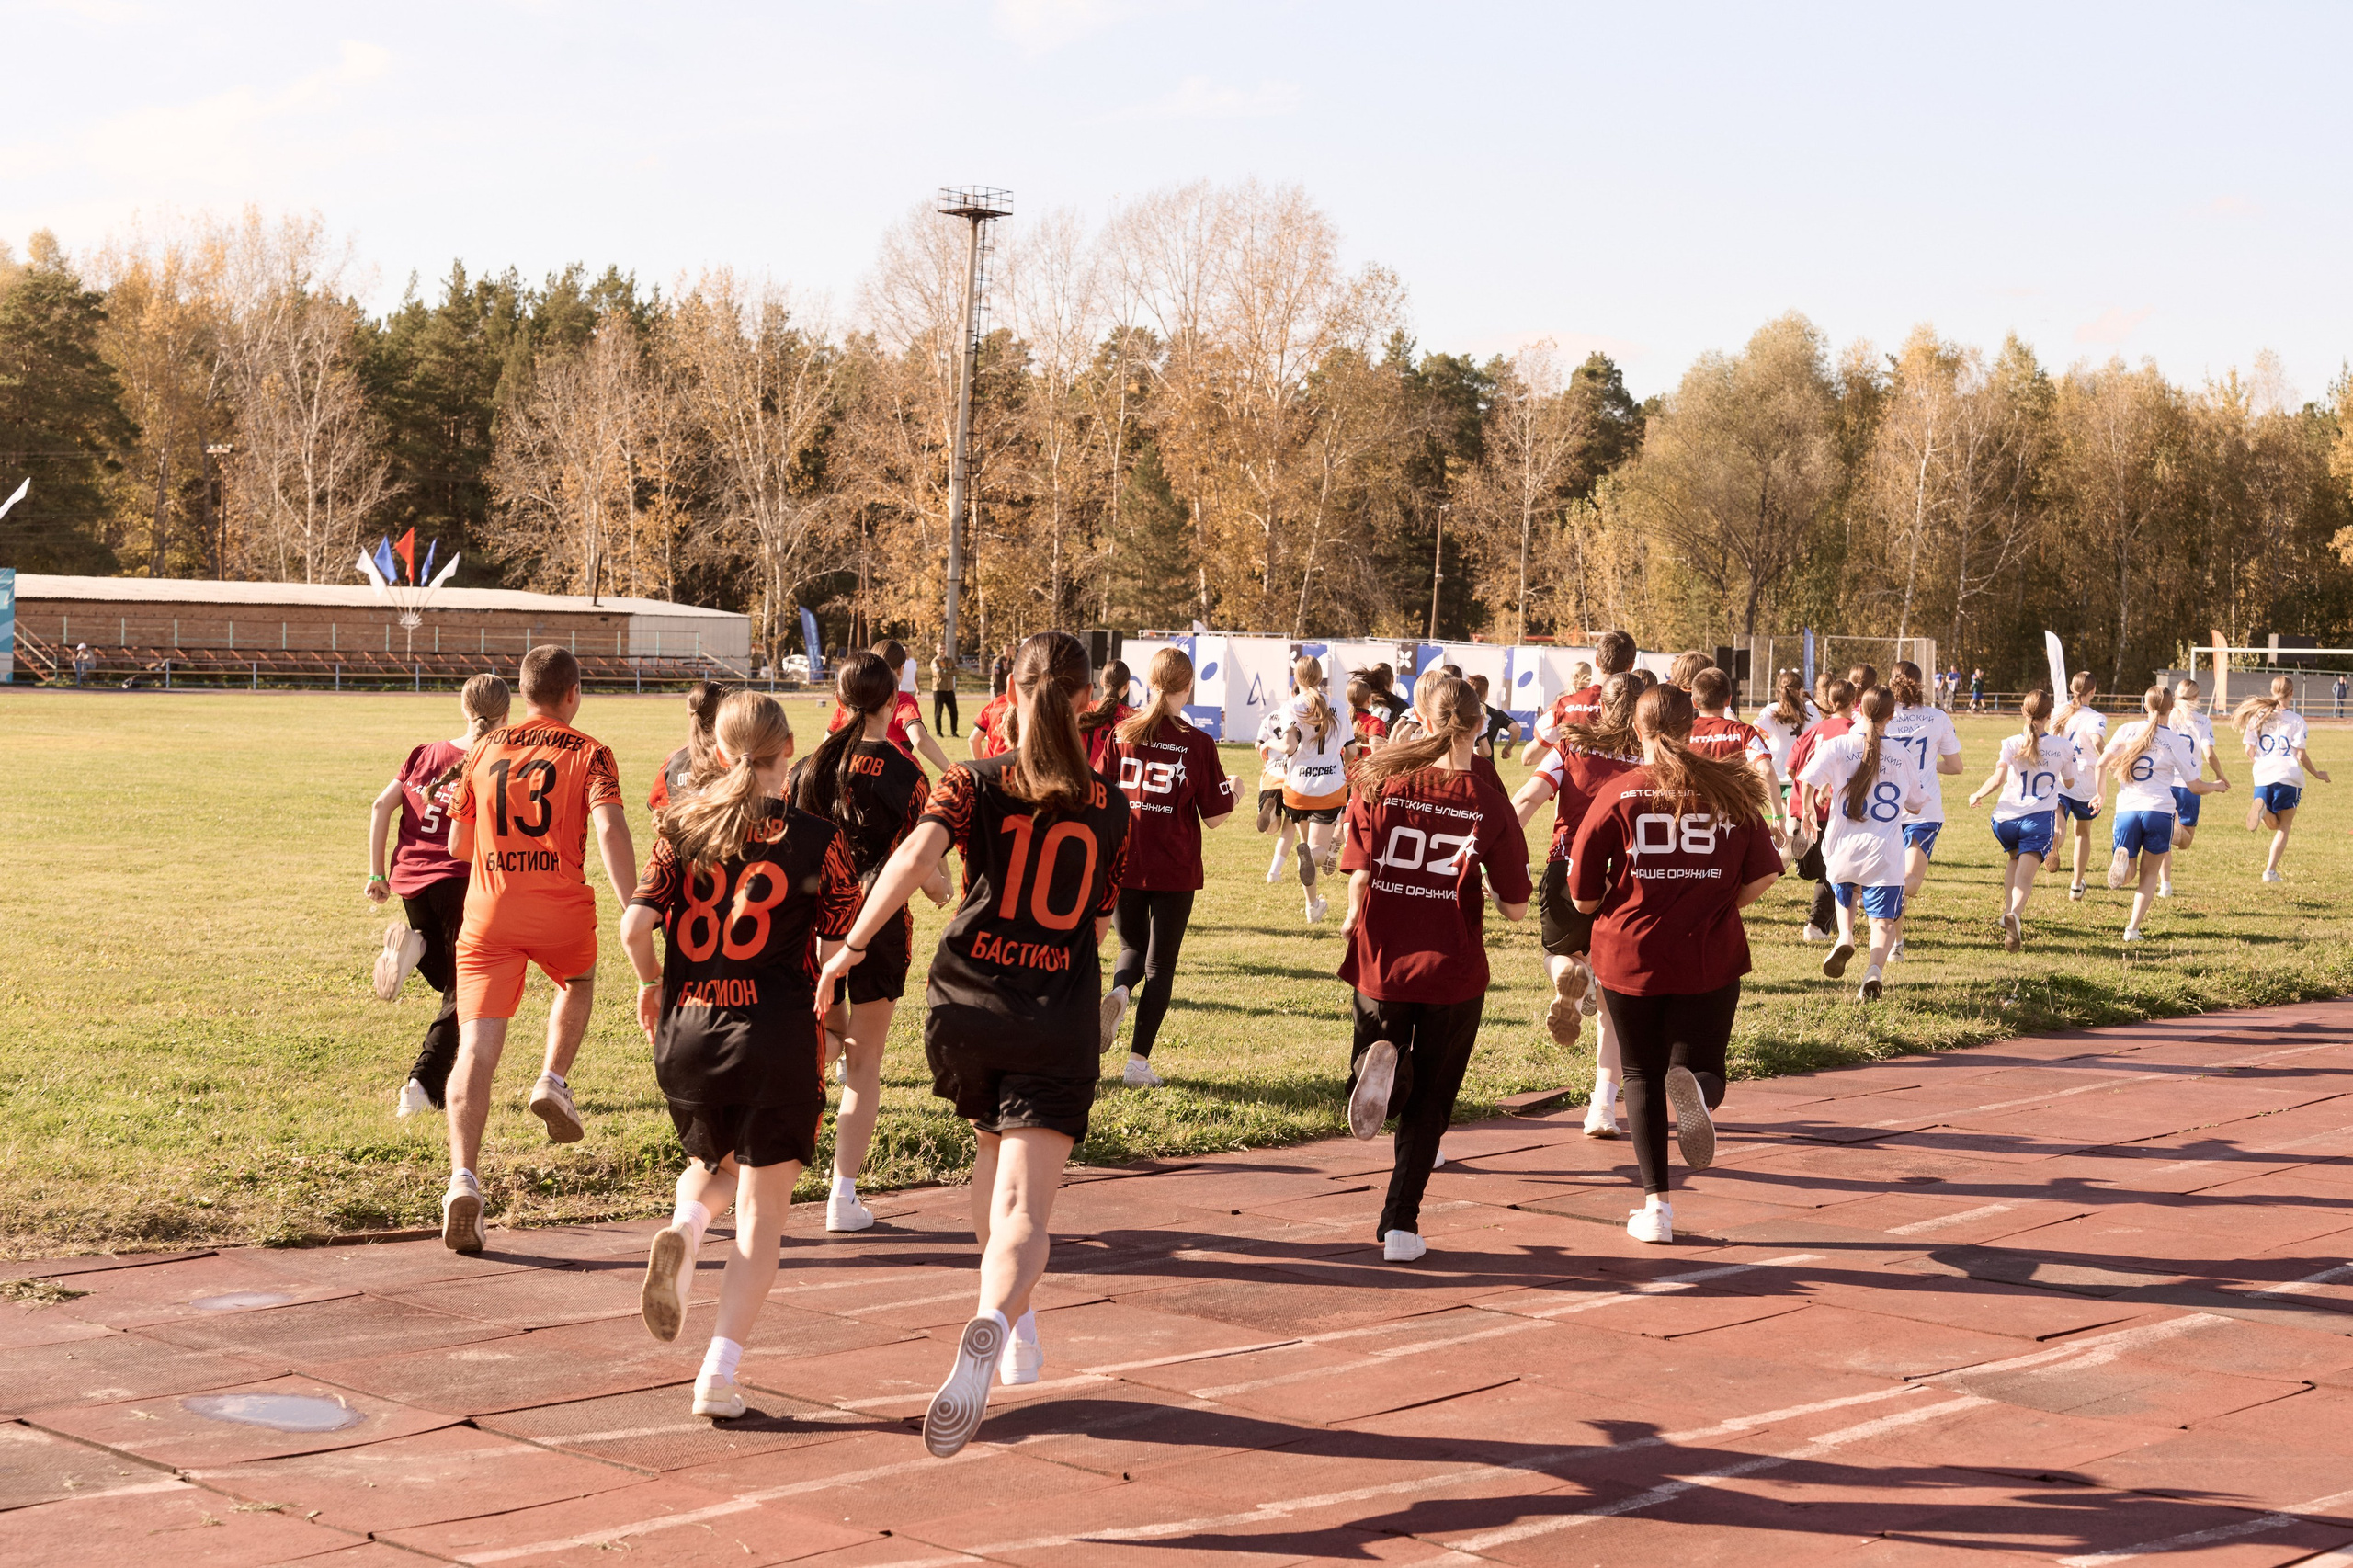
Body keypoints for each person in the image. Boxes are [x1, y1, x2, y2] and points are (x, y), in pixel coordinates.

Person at [813, 631, 1129, 1458]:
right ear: (1088, 702)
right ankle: (996, 1319)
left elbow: (918, 854)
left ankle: (1018, 1333)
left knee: (990, 1163)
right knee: (1029, 1206)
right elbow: (1099, 918)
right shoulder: (1109, 804)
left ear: (1010, 692)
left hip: (966, 1004)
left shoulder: (971, 780)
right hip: (1052, 1011)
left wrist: (849, 945)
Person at [621, 692, 860, 1418]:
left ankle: (689, 1229)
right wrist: (838, 1019)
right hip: (774, 1035)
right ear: (790, 750)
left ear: (720, 752)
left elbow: (635, 925)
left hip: (690, 1033)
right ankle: (717, 1376)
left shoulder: (679, 825)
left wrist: (653, 985)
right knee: (762, 1222)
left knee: (712, 1167)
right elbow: (833, 950)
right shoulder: (819, 838)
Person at [441, 646, 636, 1253]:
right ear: (573, 693)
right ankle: (553, 1078)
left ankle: (462, 1179)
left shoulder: (481, 750)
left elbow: (458, 847)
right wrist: (634, 904)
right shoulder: (591, 752)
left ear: (524, 694)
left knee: (474, 1047)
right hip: (559, 907)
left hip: (489, 914)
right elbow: (608, 827)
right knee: (576, 982)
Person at [1569, 684, 1779, 1244]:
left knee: (1638, 1074)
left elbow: (1583, 896)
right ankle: (1699, 1096)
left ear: (1635, 730)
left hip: (1630, 954)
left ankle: (1657, 1209)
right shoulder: (1732, 792)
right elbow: (1764, 871)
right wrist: (1716, 904)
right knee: (1700, 1067)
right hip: (1710, 953)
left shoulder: (1619, 793)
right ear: (1694, 728)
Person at [1338, 673, 1530, 1263]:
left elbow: (1359, 865)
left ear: (1421, 715)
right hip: (1451, 967)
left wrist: (1352, 911)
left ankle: (1376, 1078)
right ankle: (1400, 1225)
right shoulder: (1489, 798)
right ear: (1480, 726)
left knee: (1384, 1072)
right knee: (1431, 1106)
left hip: (1382, 958)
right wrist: (1493, 892)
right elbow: (1518, 906)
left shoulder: (1379, 776)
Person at [794, 653, 952, 1231]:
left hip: (816, 928)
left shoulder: (806, 769)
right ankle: (842, 1196)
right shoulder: (910, 776)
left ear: (839, 699)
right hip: (878, 928)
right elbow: (920, 863)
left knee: (830, 1041)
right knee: (864, 1065)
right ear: (894, 702)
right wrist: (940, 889)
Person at [369, 675, 512, 1117]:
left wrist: (377, 873)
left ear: (463, 707)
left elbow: (380, 806)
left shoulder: (424, 753)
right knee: (466, 994)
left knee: (452, 981)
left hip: (411, 880)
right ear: (508, 714)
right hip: (461, 881)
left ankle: (420, 945)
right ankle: (422, 1086)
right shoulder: (501, 760)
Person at [1511, 671, 1642, 1134]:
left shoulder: (1571, 747)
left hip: (1568, 870)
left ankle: (1566, 972)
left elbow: (1529, 796)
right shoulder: (1651, 760)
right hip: (1627, 884)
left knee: (1556, 953)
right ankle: (1601, 1109)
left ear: (1599, 708)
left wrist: (1495, 851)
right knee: (1613, 1006)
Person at [1103, 648, 1238, 1088]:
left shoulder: (1121, 732)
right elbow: (1215, 817)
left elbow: (1097, 798)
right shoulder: (1197, 743)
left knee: (1131, 949)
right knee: (1160, 965)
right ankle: (1137, 1063)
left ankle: (1120, 991)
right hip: (1174, 867)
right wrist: (1235, 792)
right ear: (1189, 687)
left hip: (1125, 861)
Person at [1796, 686, 1925, 1002]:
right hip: (1884, 852)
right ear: (1891, 717)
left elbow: (1807, 779)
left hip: (1843, 848)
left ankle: (1846, 935)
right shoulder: (1901, 753)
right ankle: (1873, 972)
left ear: (1859, 710)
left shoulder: (1839, 745)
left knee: (1846, 893)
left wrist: (1809, 811)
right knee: (1883, 922)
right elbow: (1917, 805)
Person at [2100, 686, 2224, 940]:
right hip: (2159, 811)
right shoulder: (2175, 740)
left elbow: (2101, 763)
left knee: (2130, 874)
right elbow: (2194, 786)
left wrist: (2099, 795)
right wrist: (2215, 785)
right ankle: (2132, 929)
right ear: (2171, 708)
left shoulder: (2127, 730)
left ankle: (2122, 866)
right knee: (2148, 877)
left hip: (2127, 809)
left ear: (2146, 705)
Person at [1965, 689, 2075, 951]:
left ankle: (2006, 912)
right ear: (2049, 715)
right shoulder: (2062, 746)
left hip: (2004, 821)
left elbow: (1998, 779)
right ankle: (2015, 913)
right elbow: (2069, 782)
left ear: (2024, 712)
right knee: (2025, 877)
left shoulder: (2012, 742)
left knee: (2014, 860)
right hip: (2037, 821)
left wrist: (1977, 794)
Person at [1881, 661, 1964, 960]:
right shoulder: (1937, 717)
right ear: (1921, 684)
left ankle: (1893, 940)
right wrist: (1929, 765)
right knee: (1908, 883)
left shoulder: (1881, 717)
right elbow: (1956, 767)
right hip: (1923, 812)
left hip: (1885, 809)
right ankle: (1895, 941)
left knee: (1895, 879)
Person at [1282, 655, 1358, 922]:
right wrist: (1340, 767)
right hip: (1328, 787)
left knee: (1306, 847)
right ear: (1320, 676)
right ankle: (1314, 855)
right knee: (1316, 851)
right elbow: (1351, 751)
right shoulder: (1337, 706)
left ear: (1296, 678)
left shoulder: (1291, 706)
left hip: (1297, 788)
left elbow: (1289, 747)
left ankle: (1312, 906)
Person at [1784, 676, 1858, 942]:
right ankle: (1816, 926)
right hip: (1832, 811)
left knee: (1817, 869)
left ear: (1828, 701)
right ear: (1854, 701)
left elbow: (1791, 769)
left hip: (1802, 808)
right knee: (1834, 869)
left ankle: (1793, 851)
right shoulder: (1854, 731)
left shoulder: (1813, 731)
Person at [2236, 675, 2327, 882]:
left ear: (2272, 690)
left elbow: (2248, 749)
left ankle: (2263, 809)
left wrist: (2261, 764)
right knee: (2283, 826)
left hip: (2263, 774)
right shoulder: (2297, 720)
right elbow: (2300, 755)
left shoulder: (2258, 716)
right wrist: (2318, 774)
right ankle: (2269, 871)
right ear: (2292, 694)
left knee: (2272, 823)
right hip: (2288, 775)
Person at [827, 639, 954, 775]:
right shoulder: (902, 701)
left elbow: (826, 744)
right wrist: (954, 773)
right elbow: (919, 739)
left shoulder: (848, 703)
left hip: (849, 780)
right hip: (895, 784)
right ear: (901, 669)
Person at [1524, 629, 1634, 766]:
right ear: (1631, 665)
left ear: (1597, 661)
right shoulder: (1641, 708)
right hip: (1624, 785)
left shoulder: (1565, 705)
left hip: (1578, 785)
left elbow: (1528, 758)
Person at [2163, 677, 2230, 895]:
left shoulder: (2166, 717)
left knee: (2165, 837)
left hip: (2164, 782)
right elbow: (2209, 754)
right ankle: (2172, 830)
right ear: (2196, 698)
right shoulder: (2201, 721)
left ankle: (2165, 885)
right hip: (2189, 785)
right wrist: (2220, 777)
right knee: (2185, 842)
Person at [2052, 673, 2108, 900]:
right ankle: (2076, 885)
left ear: (2071, 688)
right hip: (2085, 780)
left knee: (2059, 821)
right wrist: (2108, 759)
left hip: (2060, 775)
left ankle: (2054, 844)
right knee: (2082, 833)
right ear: (2093, 691)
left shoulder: (2059, 711)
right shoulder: (2096, 717)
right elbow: (2096, 741)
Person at [649, 680, 728, 815]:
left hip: (682, 835)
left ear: (688, 712)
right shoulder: (737, 757)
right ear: (727, 713)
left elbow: (657, 806)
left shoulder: (673, 760)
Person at [1253, 701, 1296, 874]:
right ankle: (1274, 872)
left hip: (1272, 775)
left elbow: (1258, 745)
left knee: (1271, 829)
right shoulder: (1301, 716)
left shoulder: (1271, 716)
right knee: (1290, 827)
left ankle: (1270, 811)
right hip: (1293, 776)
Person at [1752, 669, 1812, 793]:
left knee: (1779, 811)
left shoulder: (1771, 710)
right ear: (1800, 691)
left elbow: (1757, 732)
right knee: (1793, 811)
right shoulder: (1811, 710)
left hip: (1776, 768)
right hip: (1799, 769)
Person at [1077, 659, 1134, 773]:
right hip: (1116, 784)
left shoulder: (1085, 709)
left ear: (1101, 681)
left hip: (1085, 777)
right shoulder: (1134, 717)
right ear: (1127, 686)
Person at [1465, 673, 1519, 759]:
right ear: (1486, 693)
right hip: (1486, 765)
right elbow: (1516, 730)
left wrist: (1471, 750)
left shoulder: (1460, 713)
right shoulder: (1495, 714)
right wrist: (1508, 748)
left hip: (1465, 763)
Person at [970, 685, 1015, 760]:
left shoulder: (998, 702)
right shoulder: (1037, 707)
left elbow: (973, 739)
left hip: (993, 767)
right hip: (1021, 767)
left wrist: (983, 767)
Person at [931, 644, 960, 738]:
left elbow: (956, 672)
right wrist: (949, 672)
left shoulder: (950, 660)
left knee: (954, 712)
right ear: (936, 649)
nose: (942, 650)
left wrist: (946, 671)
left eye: (944, 648)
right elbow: (939, 674)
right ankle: (939, 732)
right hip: (939, 689)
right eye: (940, 648)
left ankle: (954, 732)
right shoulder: (935, 662)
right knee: (938, 712)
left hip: (949, 689)